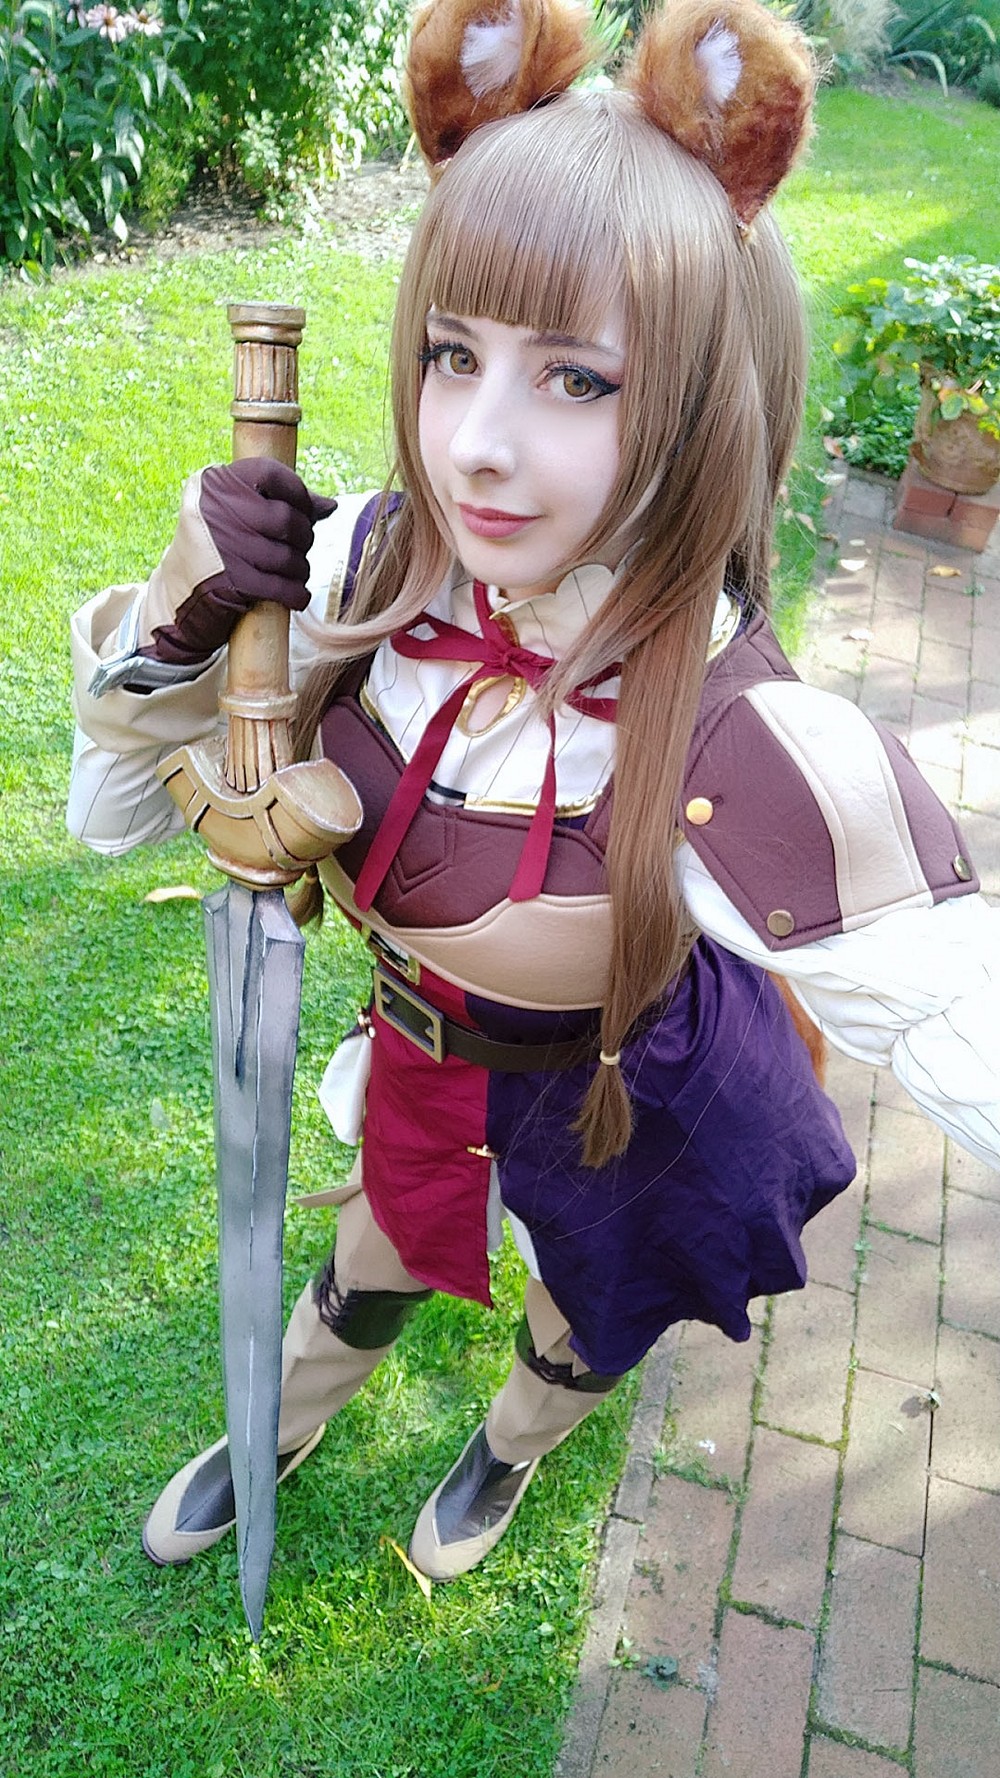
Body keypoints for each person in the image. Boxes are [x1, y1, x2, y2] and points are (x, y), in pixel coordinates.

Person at [67, 0, 1000, 1587]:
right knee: (371, 1254)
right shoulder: (364, 569)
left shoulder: (739, 727)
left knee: (589, 1308)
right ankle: (271, 1421)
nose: (479, 448)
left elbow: (958, 1014)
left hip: (631, 1085)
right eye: (454, 355)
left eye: (578, 377)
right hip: (430, 1057)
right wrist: (178, 615)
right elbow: (118, 819)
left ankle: (503, 1449)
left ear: (705, 394)